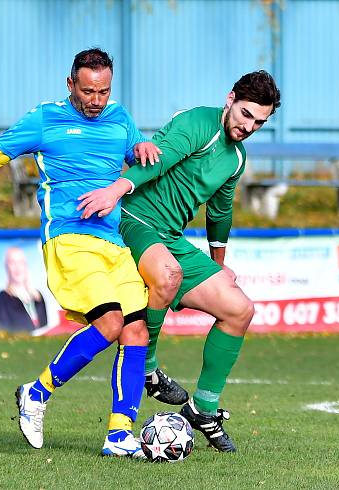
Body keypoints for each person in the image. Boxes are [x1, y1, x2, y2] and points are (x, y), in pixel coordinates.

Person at [0, 48, 162, 457]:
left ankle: (119, 435)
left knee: (135, 330)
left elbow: (134, 158)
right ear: (70, 84)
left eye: (103, 92)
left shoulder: (120, 118)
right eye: (88, 91)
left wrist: (141, 145)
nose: (95, 101)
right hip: (69, 240)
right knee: (109, 323)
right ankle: (36, 393)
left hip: (114, 242)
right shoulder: (44, 120)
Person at [78, 70, 281, 452]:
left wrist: (219, 263)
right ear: (230, 98)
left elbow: (220, 211)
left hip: (170, 237)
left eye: (260, 121)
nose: (250, 126)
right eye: (246, 114)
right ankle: (149, 369)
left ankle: (203, 408)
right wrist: (116, 190)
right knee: (168, 275)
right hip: (136, 219)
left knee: (240, 309)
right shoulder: (197, 123)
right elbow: (159, 159)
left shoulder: (236, 159)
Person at [0, 246, 48, 332]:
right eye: (12, 262)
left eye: (20, 262)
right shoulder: (4, 297)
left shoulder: (38, 296)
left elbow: (46, 326)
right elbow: (3, 328)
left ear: (26, 265)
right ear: (6, 267)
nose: (17, 267)